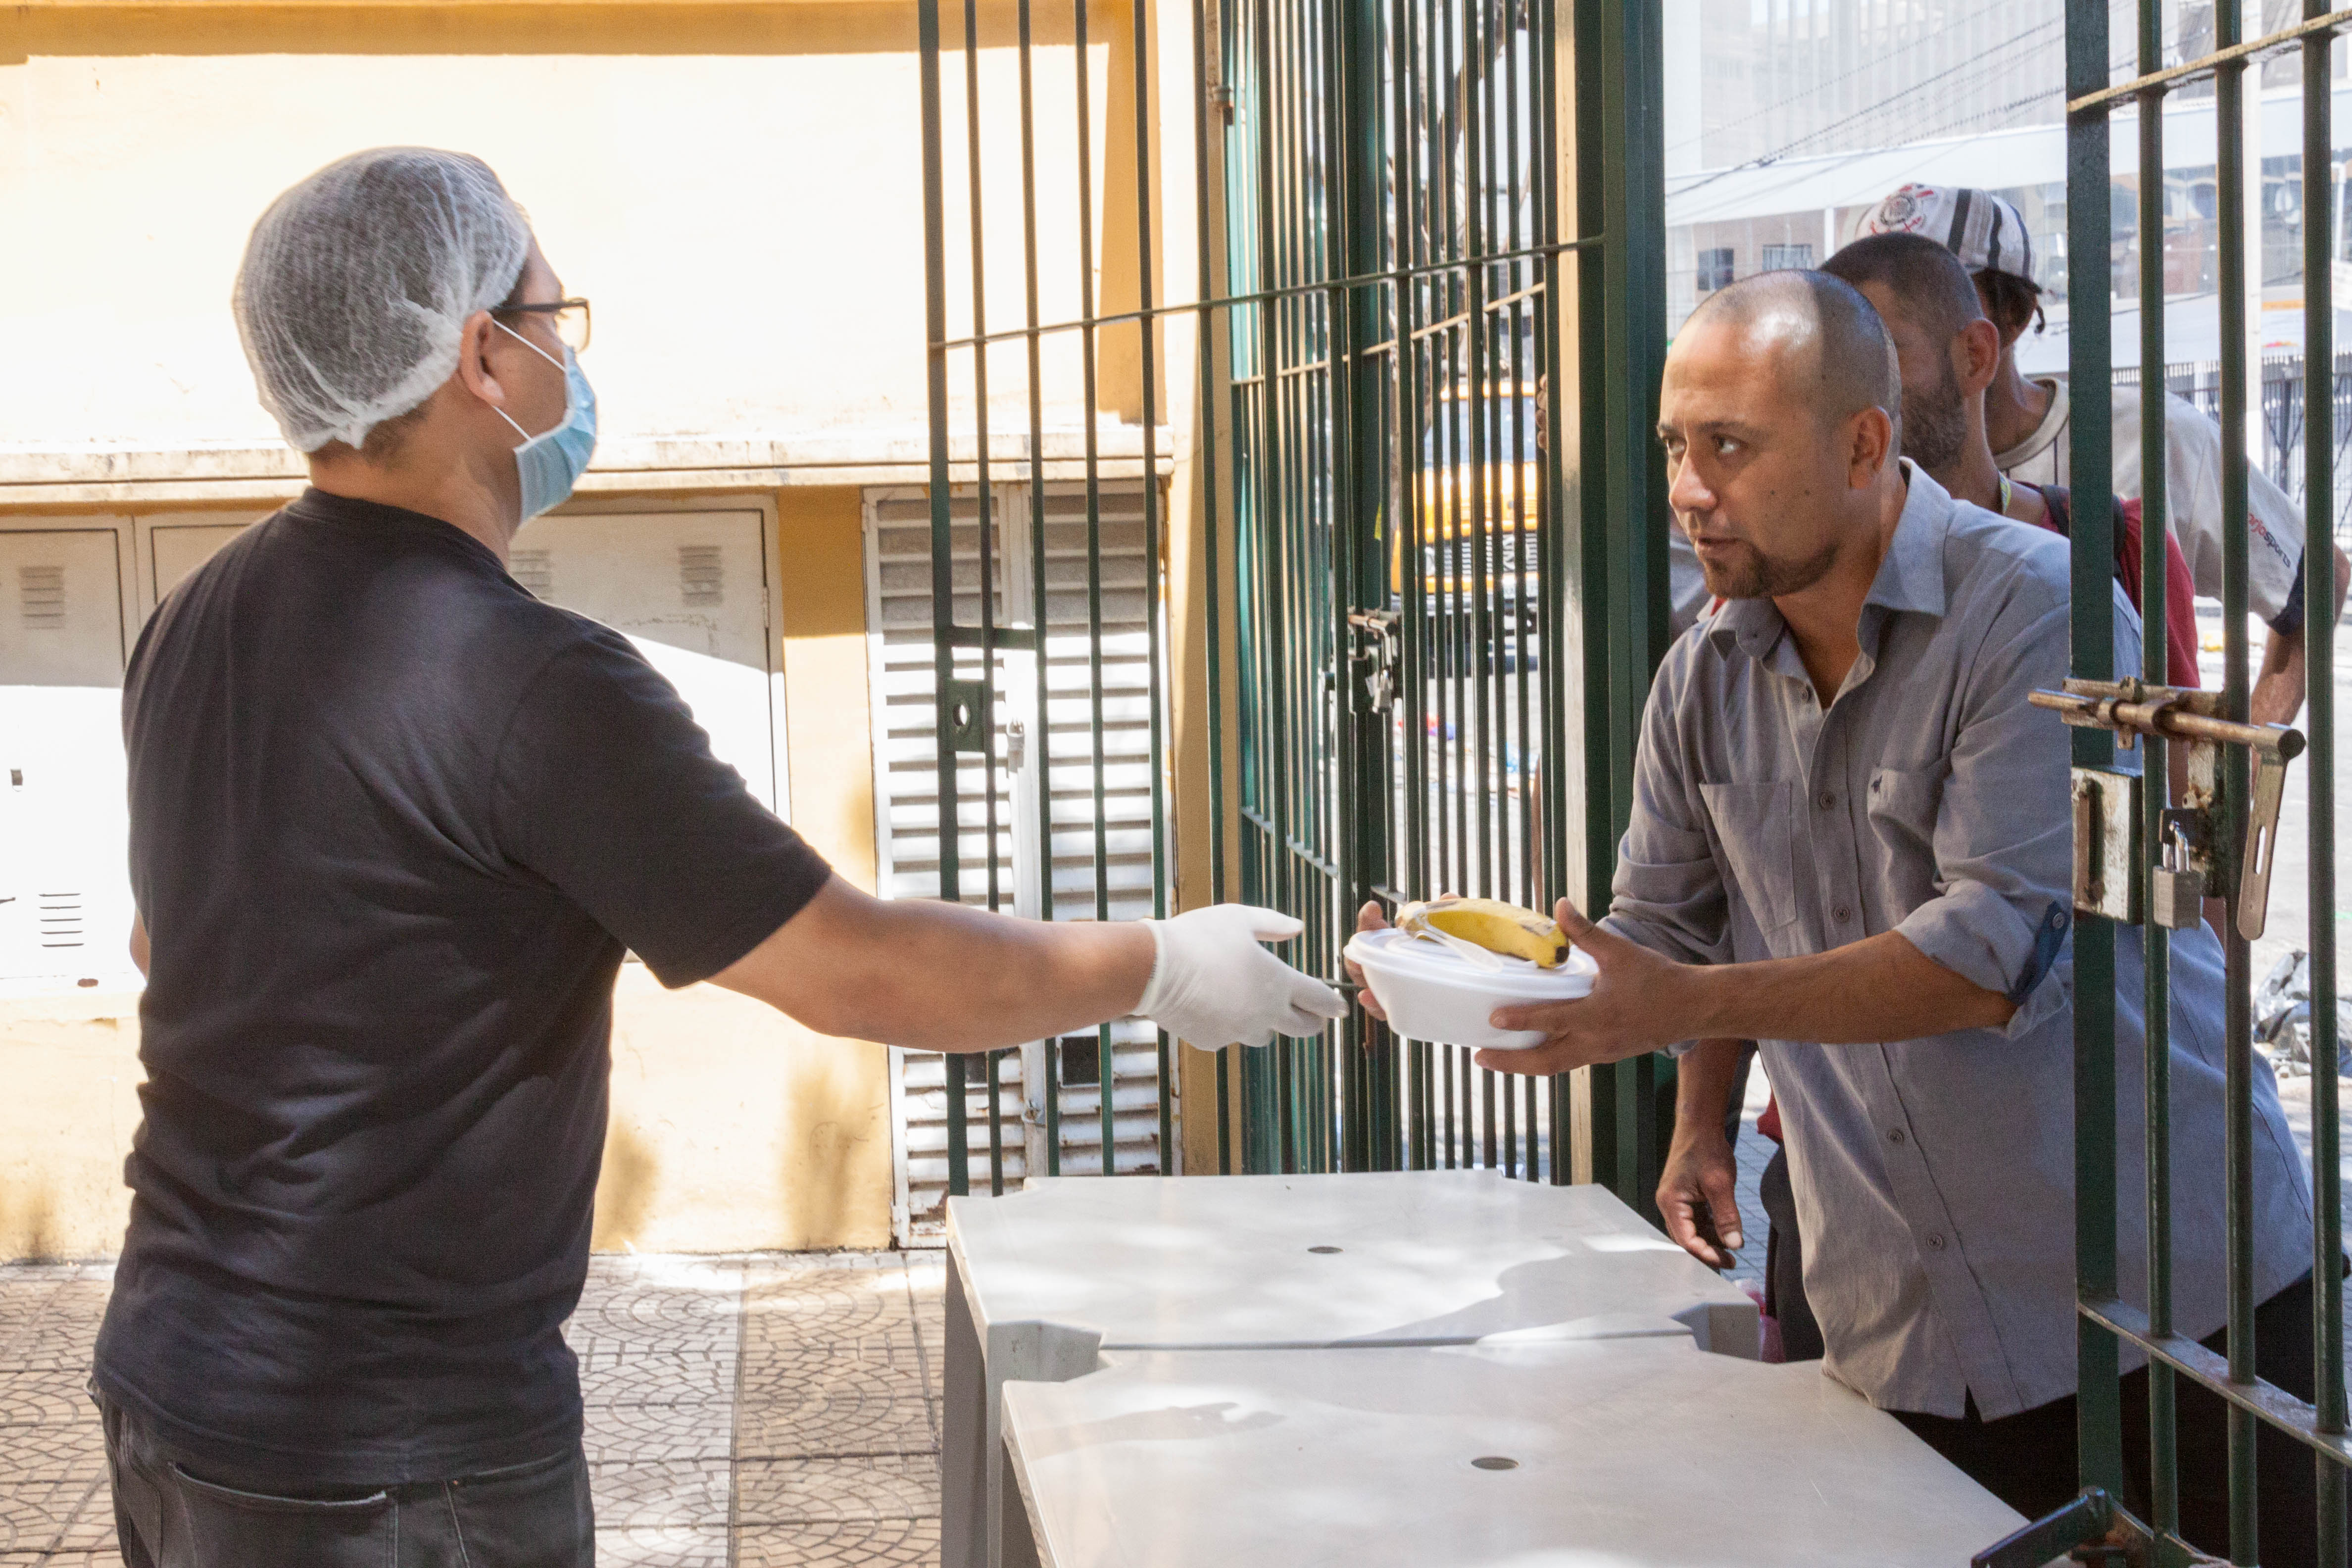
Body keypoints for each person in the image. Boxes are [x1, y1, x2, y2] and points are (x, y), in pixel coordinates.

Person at [95, 148, 1344, 1568]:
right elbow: (861, 969)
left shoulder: (195, 618)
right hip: (387, 1451)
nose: (569, 351)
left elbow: (167, 944)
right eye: (554, 317)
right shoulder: (529, 681)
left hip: (169, 1383)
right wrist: (1164, 965)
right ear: (481, 356)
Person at [1351, 270, 2322, 1561]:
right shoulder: (1704, 673)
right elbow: (1664, 936)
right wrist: (1444, 971)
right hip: (1905, 1328)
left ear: (1865, 443)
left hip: (2166, 1306)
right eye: (1678, 448)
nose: (1691, 488)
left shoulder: (2040, 608)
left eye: (1731, 448)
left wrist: (1686, 1001)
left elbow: (1989, 958)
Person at [1849, 181, 2348, 727]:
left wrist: (2246, 768)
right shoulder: (1857, 473)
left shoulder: (2152, 438)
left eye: (1924, 292)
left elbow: (2315, 578)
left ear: (2007, 321)